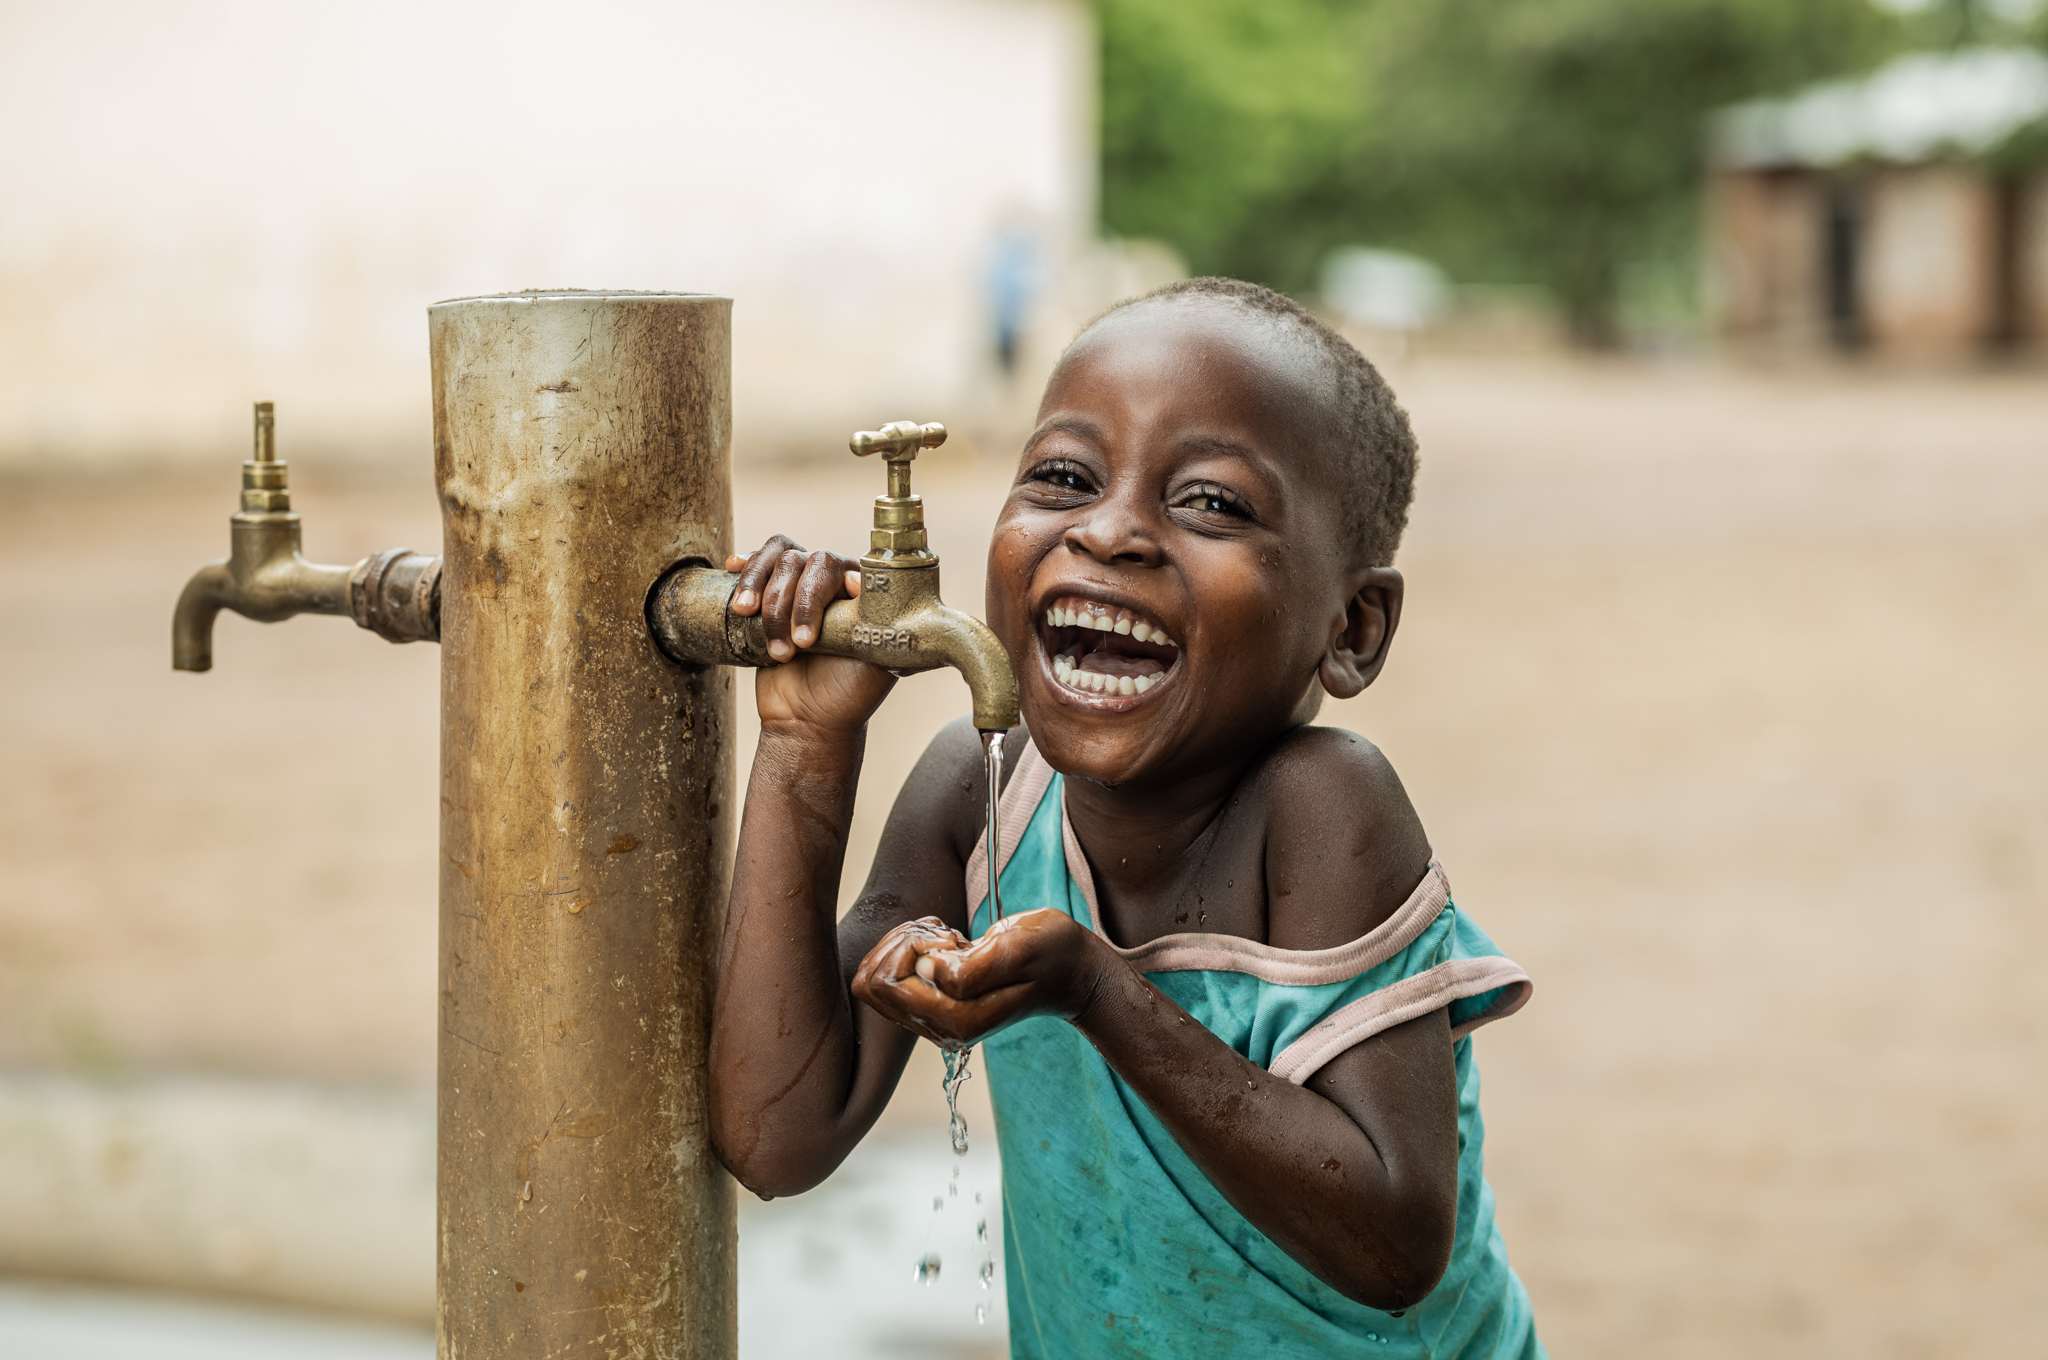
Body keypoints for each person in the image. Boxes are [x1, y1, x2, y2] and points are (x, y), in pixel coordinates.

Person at [708, 278, 1542, 1357]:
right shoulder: (983, 787)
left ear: (1352, 626)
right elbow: (777, 1136)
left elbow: (1392, 1238)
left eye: (1209, 502)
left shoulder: (1322, 805)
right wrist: (804, 745)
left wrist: (1093, 986)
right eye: (1061, 476)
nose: (1107, 530)